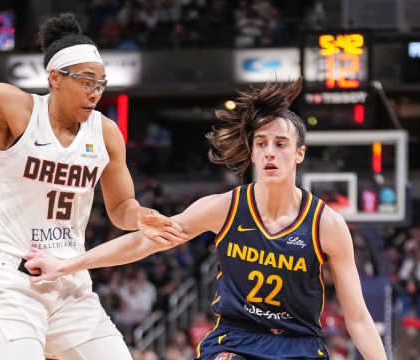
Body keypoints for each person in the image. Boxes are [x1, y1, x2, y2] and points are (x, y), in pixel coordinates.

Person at [0, 1, 186, 359]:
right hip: (10, 284)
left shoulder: (106, 132)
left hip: (70, 284)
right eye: (86, 81)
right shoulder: (17, 108)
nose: (95, 92)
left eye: (101, 83)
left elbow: (121, 208)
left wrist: (140, 216)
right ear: (55, 79)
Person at [26, 80, 388, 360]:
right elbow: (144, 241)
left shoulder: (326, 224)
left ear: (299, 155)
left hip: (299, 344)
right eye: (261, 143)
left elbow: (357, 317)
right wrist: (67, 264)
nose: (269, 152)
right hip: (236, 339)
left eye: (280, 144)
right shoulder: (224, 207)